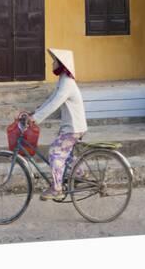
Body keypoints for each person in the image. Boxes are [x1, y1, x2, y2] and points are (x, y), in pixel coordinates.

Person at [30, 48, 88, 201]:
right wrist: (34, 113)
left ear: (61, 64)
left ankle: (57, 189)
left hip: (73, 128)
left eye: (54, 60)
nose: (52, 63)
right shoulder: (63, 80)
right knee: (66, 155)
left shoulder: (67, 83)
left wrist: (36, 119)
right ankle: (80, 174)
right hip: (72, 127)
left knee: (55, 152)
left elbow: (55, 103)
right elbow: (50, 100)